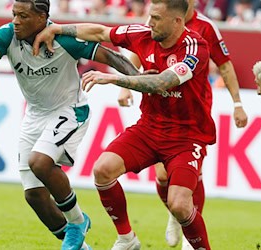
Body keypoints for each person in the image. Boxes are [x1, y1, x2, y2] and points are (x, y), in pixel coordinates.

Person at [33, 0, 214, 249]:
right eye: (150, 16)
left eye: (157, 18)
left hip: (186, 136)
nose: (149, 23)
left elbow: (162, 82)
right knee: (102, 170)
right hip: (149, 128)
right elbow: (100, 32)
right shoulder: (143, 33)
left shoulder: (195, 47)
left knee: (180, 205)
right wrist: (58, 29)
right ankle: (127, 239)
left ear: (177, 22)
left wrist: (116, 78)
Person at [0, 0, 140, 249]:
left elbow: (111, 56)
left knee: (40, 162)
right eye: (14, 14)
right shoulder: (7, 35)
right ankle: (80, 246)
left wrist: (142, 82)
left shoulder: (64, 40)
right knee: (34, 195)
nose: (16, 21)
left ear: (42, 18)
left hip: (69, 110)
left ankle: (78, 221)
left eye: (23, 16)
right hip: (35, 115)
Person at [116, 0, 249, 248]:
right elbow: (138, 46)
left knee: (191, 174)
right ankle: (174, 215)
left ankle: (190, 228)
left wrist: (238, 103)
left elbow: (225, 65)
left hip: (192, 114)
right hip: (160, 108)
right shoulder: (158, 19)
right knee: (163, 175)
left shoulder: (206, 27)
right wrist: (127, 82)